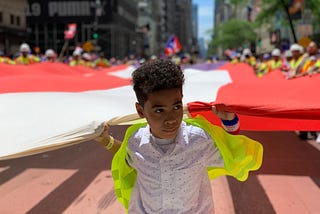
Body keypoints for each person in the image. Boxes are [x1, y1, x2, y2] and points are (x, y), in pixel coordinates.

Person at [94, 59, 262, 213]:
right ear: (140, 111)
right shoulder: (135, 140)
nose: (171, 119)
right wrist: (105, 140)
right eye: (159, 110)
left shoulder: (199, 139)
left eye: (176, 107)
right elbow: (125, 156)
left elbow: (233, 151)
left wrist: (230, 122)